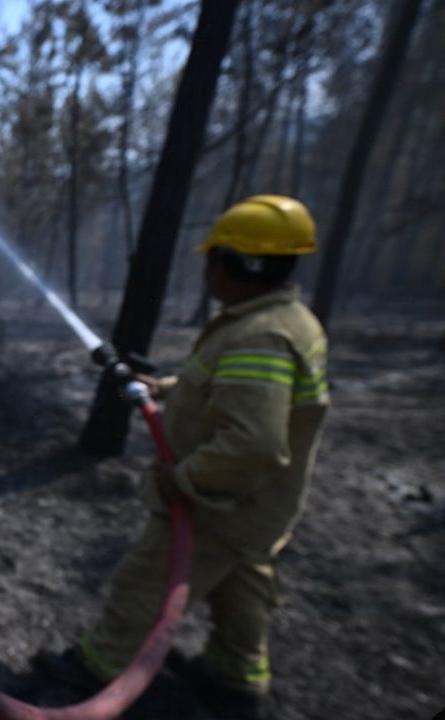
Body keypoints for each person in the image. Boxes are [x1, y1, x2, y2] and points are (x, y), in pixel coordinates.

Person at [48, 195, 330, 720]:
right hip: (261, 509)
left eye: (214, 257)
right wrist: (164, 387)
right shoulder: (287, 320)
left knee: (145, 582)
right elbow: (226, 388)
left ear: (241, 264)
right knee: (244, 590)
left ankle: (96, 669)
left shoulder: (259, 336)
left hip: (219, 503)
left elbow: (255, 444)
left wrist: (185, 478)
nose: (207, 269)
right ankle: (235, 679)